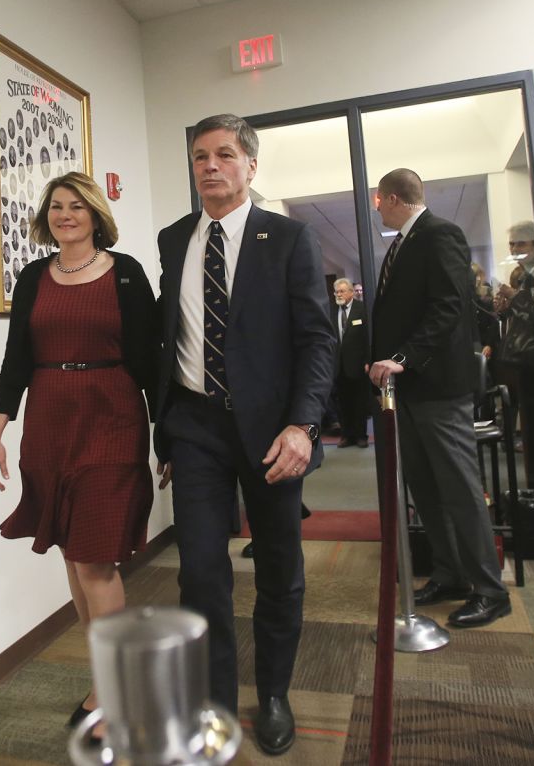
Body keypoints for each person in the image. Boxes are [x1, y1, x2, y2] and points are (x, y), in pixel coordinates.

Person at [152, 114, 335, 755]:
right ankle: (217, 705)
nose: (210, 166)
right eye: (199, 155)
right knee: (201, 573)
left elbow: (317, 340)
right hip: (197, 426)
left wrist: (304, 425)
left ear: (250, 166)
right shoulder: (173, 240)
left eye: (224, 154)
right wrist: (164, 434)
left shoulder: (287, 239)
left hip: (272, 431)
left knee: (279, 568)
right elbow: (168, 339)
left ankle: (276, 693)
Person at [0, 170, 157, 738]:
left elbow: (149, 361)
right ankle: (105, 678)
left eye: (76, 206)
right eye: (55, 206)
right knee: (70, 555)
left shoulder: (126, 274)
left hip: (111, 415)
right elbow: (16, 360)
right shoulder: (34, 276)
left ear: (95, 214)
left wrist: (168, 433)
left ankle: (114, 693)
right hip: (51, 420)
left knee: (93, 557)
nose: (64, 215)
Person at [369, 168, 510, 628]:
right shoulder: (405, 242)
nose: (377, 210)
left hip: (438, 386)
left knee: (459, 488)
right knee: (426, 487)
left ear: (391, 198)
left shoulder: (439, 234)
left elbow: (449, 306)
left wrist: (405, 358)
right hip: (407, 389)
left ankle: (490, 589)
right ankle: (450, 574)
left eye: (378, 202)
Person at [493, 220, 534, 487]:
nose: (515, 249)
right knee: (532, 432)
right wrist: (505, 307)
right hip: (523, 365)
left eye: (521, 243)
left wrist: (515, 296)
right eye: (512, 244)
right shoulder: (526, 275)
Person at [331, 277, 370, 447]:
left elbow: (367, 338)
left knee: (359, 402)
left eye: (341, 291)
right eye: (336, 291)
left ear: (351, 292)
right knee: (342, 403)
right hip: (337, 366)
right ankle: (347, 436)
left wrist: (368, 360)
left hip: (358, 364)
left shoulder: (362, 310)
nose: (338, 294)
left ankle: (361, 436)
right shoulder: (331, 311)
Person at [472, 262, 501, 359]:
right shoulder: (460, 304)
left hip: (485, 350)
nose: (477, 279)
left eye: (477, 276)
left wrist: (489, 345)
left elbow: (493, 324)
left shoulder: (485, 303)